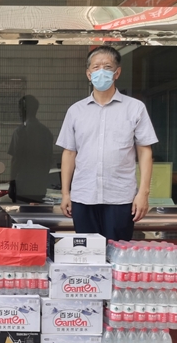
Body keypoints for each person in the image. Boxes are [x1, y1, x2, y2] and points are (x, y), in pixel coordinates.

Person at [57, 46, 158, 241]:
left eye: (107, 67)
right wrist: (65, 193)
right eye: (96, 67)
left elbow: (145, 151)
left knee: (117, 252)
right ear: (88, 74)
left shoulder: (135, 108)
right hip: (83, 196)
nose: (101, 71)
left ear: (117, 73)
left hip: (120, 197)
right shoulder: (75, 111)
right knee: (87, 254)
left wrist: (143, 193)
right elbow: (69, 153)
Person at [8, 94, 54, 203]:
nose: (19, 113)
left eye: (20, 110)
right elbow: (49, 160)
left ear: (23, 111)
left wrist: (12, 182)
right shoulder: (46, 132)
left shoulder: (20, 132)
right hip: (40, 186)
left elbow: (16, 160)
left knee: (22, 212)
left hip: (22, 185)